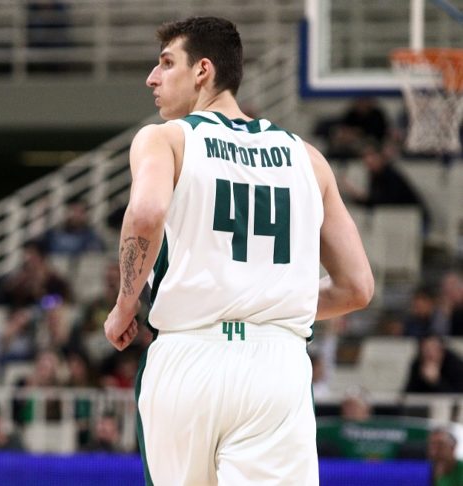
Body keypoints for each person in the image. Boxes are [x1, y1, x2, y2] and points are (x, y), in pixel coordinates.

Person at [103, 17, 373, 485]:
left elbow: (145, 214)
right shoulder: (308, 159)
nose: (152, 77)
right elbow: (357, 288)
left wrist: (125, 305)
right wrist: (268, 299)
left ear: (202, 70)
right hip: (277, 364)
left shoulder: (165, 139)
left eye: (166, 63)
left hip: (189, 356)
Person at [40, 201, 106, 256]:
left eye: (80, 212)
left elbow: (95, 256)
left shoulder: (91, 237)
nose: (76, 215)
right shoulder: (53, 235)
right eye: (73, 211)